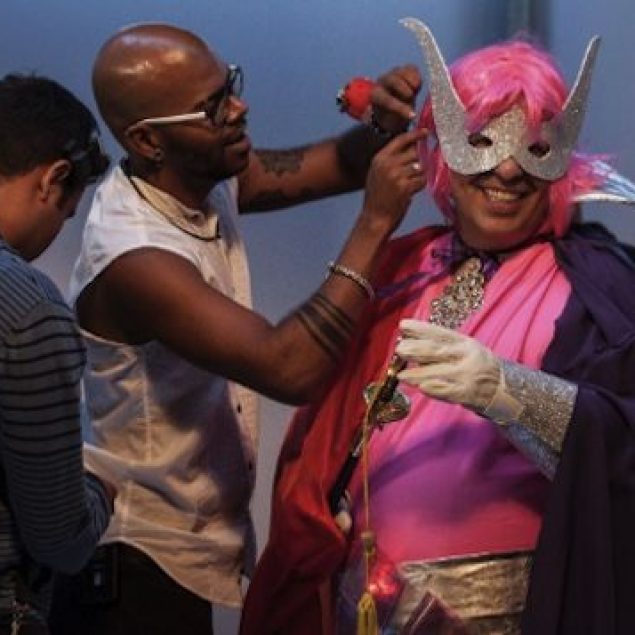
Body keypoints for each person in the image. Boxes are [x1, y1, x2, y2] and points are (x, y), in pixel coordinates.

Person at [240, 18, 635, 635]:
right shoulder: (400, 264)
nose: (508, 172)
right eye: (481, 141)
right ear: (444, 150)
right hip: (364, 599)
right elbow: (317, 408)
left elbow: (623, 447)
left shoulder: (600, 286)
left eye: (535, 149)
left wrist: (507, 391)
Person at [47, 21, 428, 635]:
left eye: (231, 86)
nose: (238, 109)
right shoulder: (135, 260)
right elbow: (289, 368)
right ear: (148, 140)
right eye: (213, 106)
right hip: (134, 568)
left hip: (176, 558)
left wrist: (381, 128)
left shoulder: (198, 178)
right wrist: (374, 225)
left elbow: (335, 164)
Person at [0, 74, 113, 634]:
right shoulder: (29, 310)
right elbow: (59, 538)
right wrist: (101, 492)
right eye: (66, 216)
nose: (56, 232)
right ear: (54, 179)